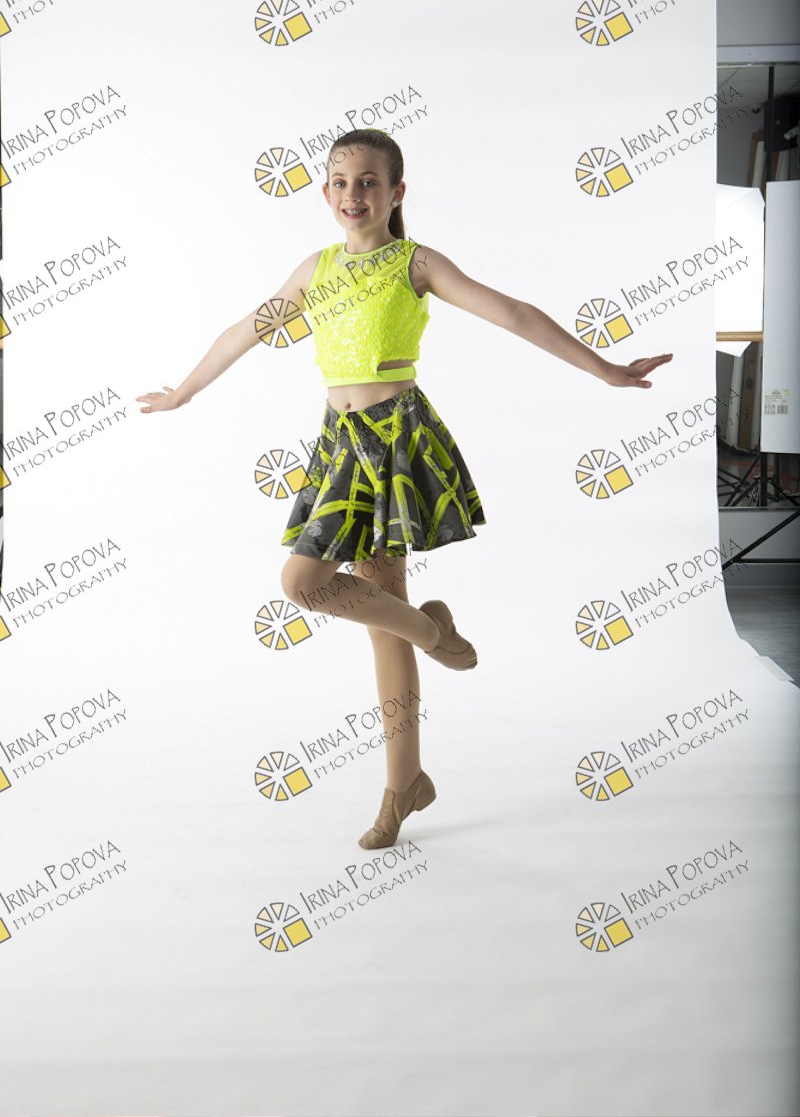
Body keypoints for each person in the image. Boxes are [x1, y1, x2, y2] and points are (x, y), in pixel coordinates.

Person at [137, 128, 672, 852]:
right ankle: (417, 730)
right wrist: (184, 391)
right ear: (325, 192)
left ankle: (405, 758)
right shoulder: (317, 267)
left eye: (367, 181)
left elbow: (512, 313)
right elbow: (247, 329)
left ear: (396, 192)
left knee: (312, 587)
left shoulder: (415, 263)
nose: (352, 194)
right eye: (339, 181)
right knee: (359, 608)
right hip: (340, 444)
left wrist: (604, 369)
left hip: (395, 441)